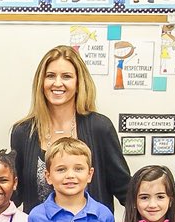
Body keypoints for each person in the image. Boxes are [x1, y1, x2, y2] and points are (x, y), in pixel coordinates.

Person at [11, 45, 129, 213]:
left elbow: (125, 189)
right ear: (41, 82)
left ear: (79, 83)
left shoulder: (100, 128)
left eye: (66, 76)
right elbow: (12, 192)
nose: (57, 83)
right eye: (50, 76)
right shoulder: (23, 132)